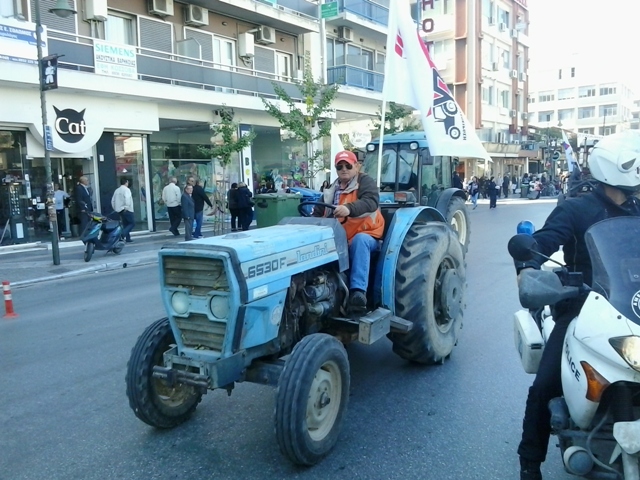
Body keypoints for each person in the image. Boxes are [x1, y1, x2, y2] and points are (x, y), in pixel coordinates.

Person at [513, 131, 640, 480]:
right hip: (585, 304)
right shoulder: (576, 208)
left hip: (632, 304)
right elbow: (543, 241)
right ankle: (530, 462)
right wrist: (528, 266)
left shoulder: (637, 208)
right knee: (545, 384)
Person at [313, 150, 385, 311]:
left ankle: (358, 293)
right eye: (340, 166)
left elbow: (370, 202)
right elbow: (319, 211)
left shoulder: (365, 182)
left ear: (356, 166)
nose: (344, 169)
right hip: (339, 237)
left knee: (360, 240)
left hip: (368, 235)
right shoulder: (331, 189)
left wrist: (348, 208)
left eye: (348, 165)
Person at [111, 178, 134, 243]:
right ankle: (122, 235)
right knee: (132, 223)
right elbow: (127, 199)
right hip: (127, 210)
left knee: (125, 224)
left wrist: (115, 208)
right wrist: (126, 207)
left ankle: (128, 238)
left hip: (119, 210)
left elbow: (113, 200)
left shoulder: (117, 190)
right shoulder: (127, 190)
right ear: (126, 182)